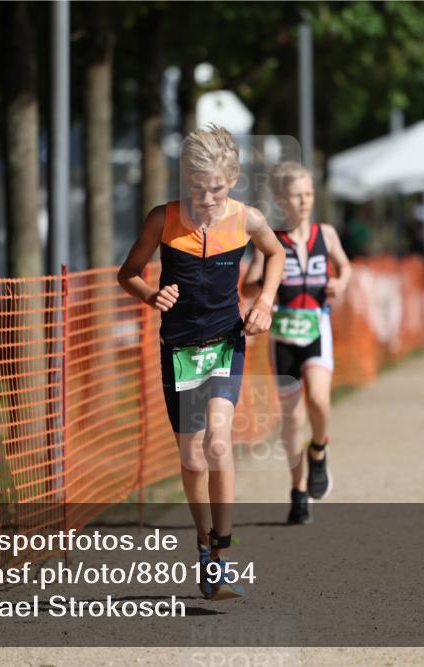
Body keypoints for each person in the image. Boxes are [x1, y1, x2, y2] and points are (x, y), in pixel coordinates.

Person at [117, 125, 285, 600]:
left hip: (225, 342)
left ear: (232, 180)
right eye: (197, 187)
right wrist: (151, 295)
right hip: (180, 349)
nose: (207, 198)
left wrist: (265, 302)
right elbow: (127, 273)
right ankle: (203, 543)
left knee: (218, 440)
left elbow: (275, 253)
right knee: (191, 457)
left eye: (216, 188)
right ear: (185, 180)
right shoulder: (163, 219)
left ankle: (222, 557)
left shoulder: (247, 219)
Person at [244, 161, 352, 525]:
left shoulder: (327, 234)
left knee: (319, 398)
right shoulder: (271, 240)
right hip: (283, 336)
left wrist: (340, 283)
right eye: (296, 195)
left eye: (308, 194)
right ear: (280, 198)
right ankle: (298, 490)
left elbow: (346, 267)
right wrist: (264, 290)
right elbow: (250, 283)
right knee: (292, 417)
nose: (304, 201)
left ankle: (318, 450)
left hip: (317, 328)